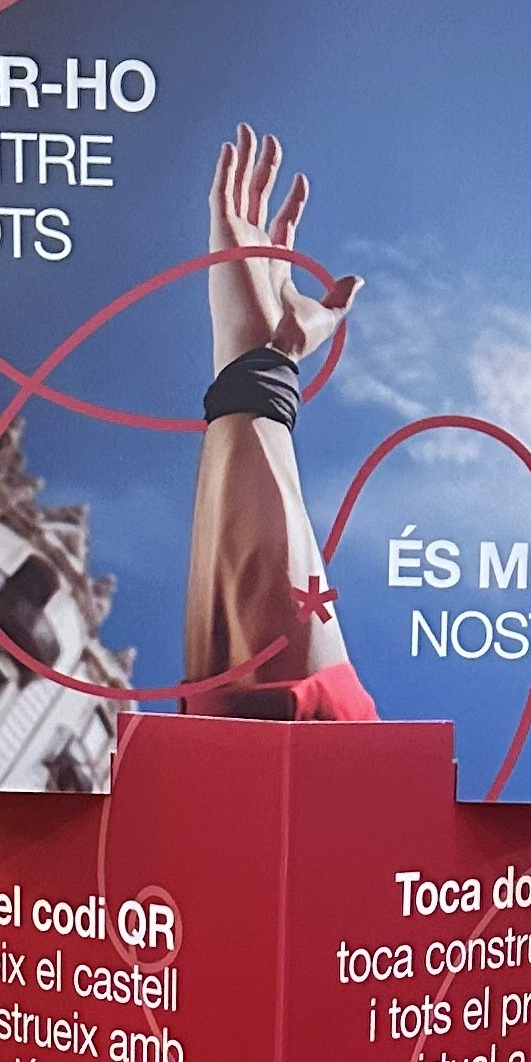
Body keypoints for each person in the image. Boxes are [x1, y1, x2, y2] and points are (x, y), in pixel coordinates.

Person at [182, 126, 377, 723]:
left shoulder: (252, 738)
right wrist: (261, 361)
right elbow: (273, 697)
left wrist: (261, 362)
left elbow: (255, 699)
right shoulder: (338, 750)